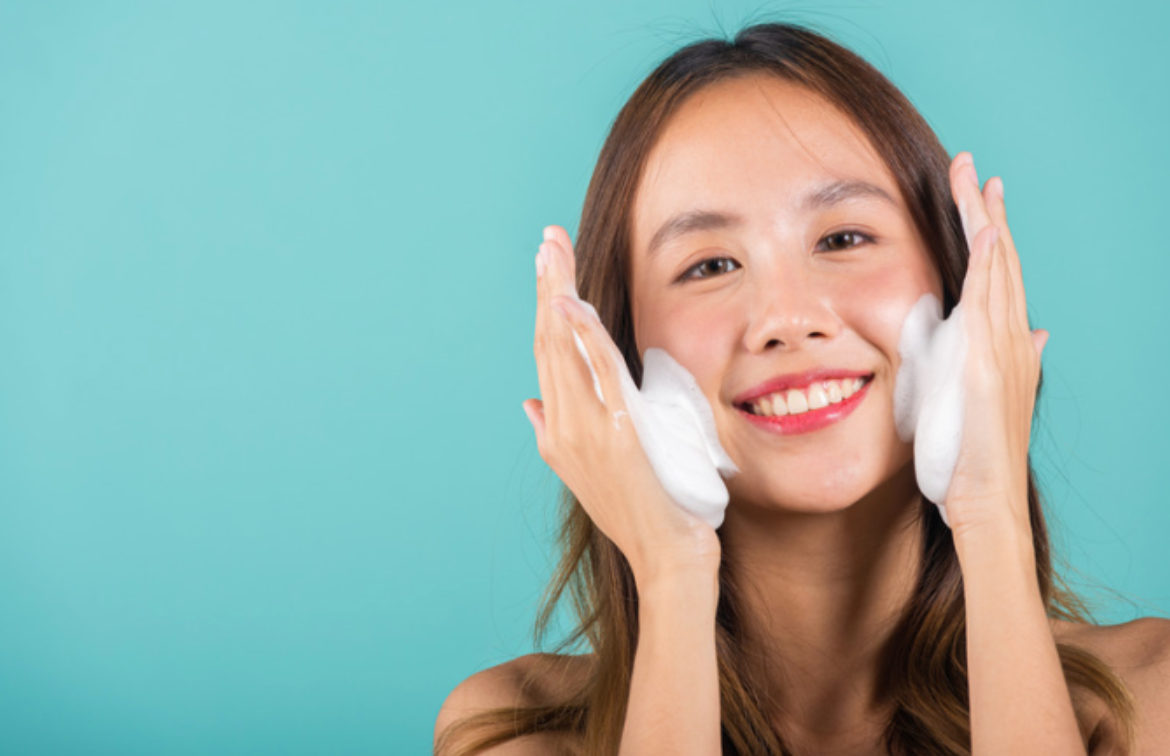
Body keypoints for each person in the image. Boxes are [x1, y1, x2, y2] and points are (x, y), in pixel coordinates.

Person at [434, 21, 1170, 756]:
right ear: (618, 353)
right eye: (709, 265)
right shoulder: (514, 730)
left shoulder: (1145, 697)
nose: (787, 320)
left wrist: (991, 516)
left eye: (843, 239)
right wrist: (672, 571)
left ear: (962, 287)